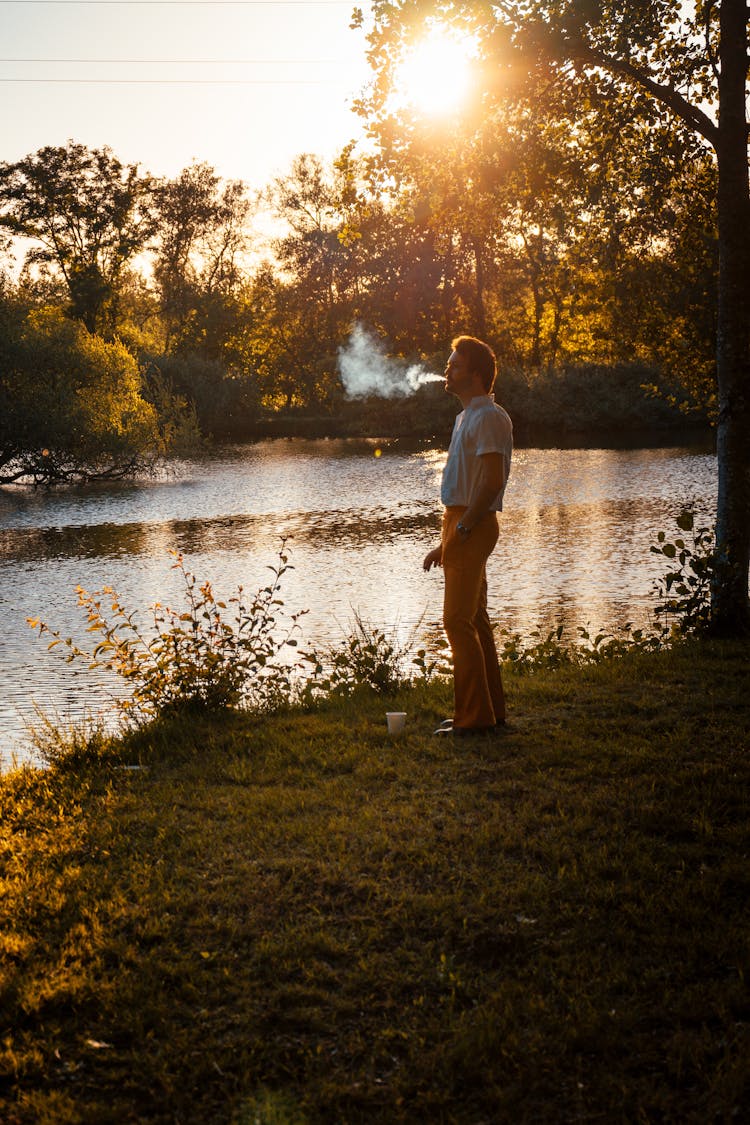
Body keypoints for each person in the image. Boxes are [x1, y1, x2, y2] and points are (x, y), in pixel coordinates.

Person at [423, 335, 513, 736]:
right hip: (459, 521)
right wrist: (446, 538)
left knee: (456, 621)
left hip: (471, 523)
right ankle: (490, 711)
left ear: (476, 375)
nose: (448, 370)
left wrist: (461, 530)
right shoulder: (465, 418)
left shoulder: (489, 418)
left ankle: (473, 719)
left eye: (455, 365)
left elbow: (492, 481)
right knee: (474, 618)